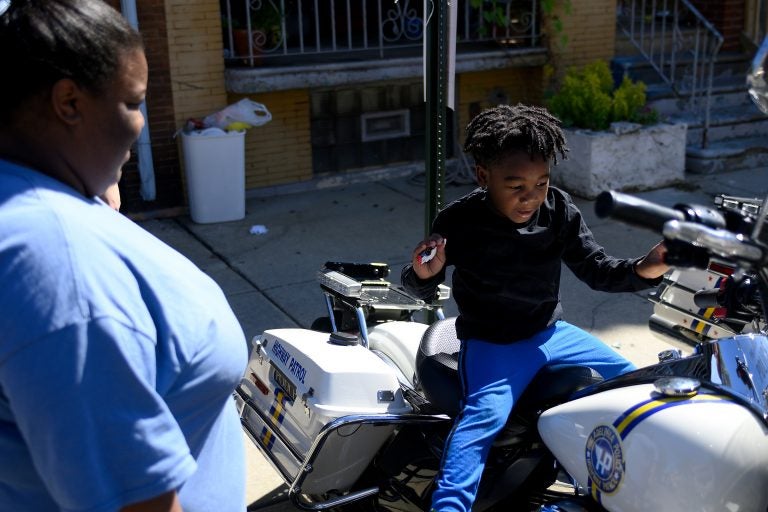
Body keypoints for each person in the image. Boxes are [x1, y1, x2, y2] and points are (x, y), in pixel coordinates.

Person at [0, 2, 247, 511]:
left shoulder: (33, 195)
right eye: (133, 103)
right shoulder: (57, 262)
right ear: (69, 102)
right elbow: (132, 505)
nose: (139, 126)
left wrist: (89, 192)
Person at [401, 104, 668, 512]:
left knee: (642, 385)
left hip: (552, 333)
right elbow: (418, 283)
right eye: (516, 186)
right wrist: (425, 273)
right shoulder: (459, 220)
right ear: (483, 176)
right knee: (481, 423)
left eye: (541, 183)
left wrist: (645, 269)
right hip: (494, 344)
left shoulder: (559, 209)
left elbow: (597, 270)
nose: (531, 198)